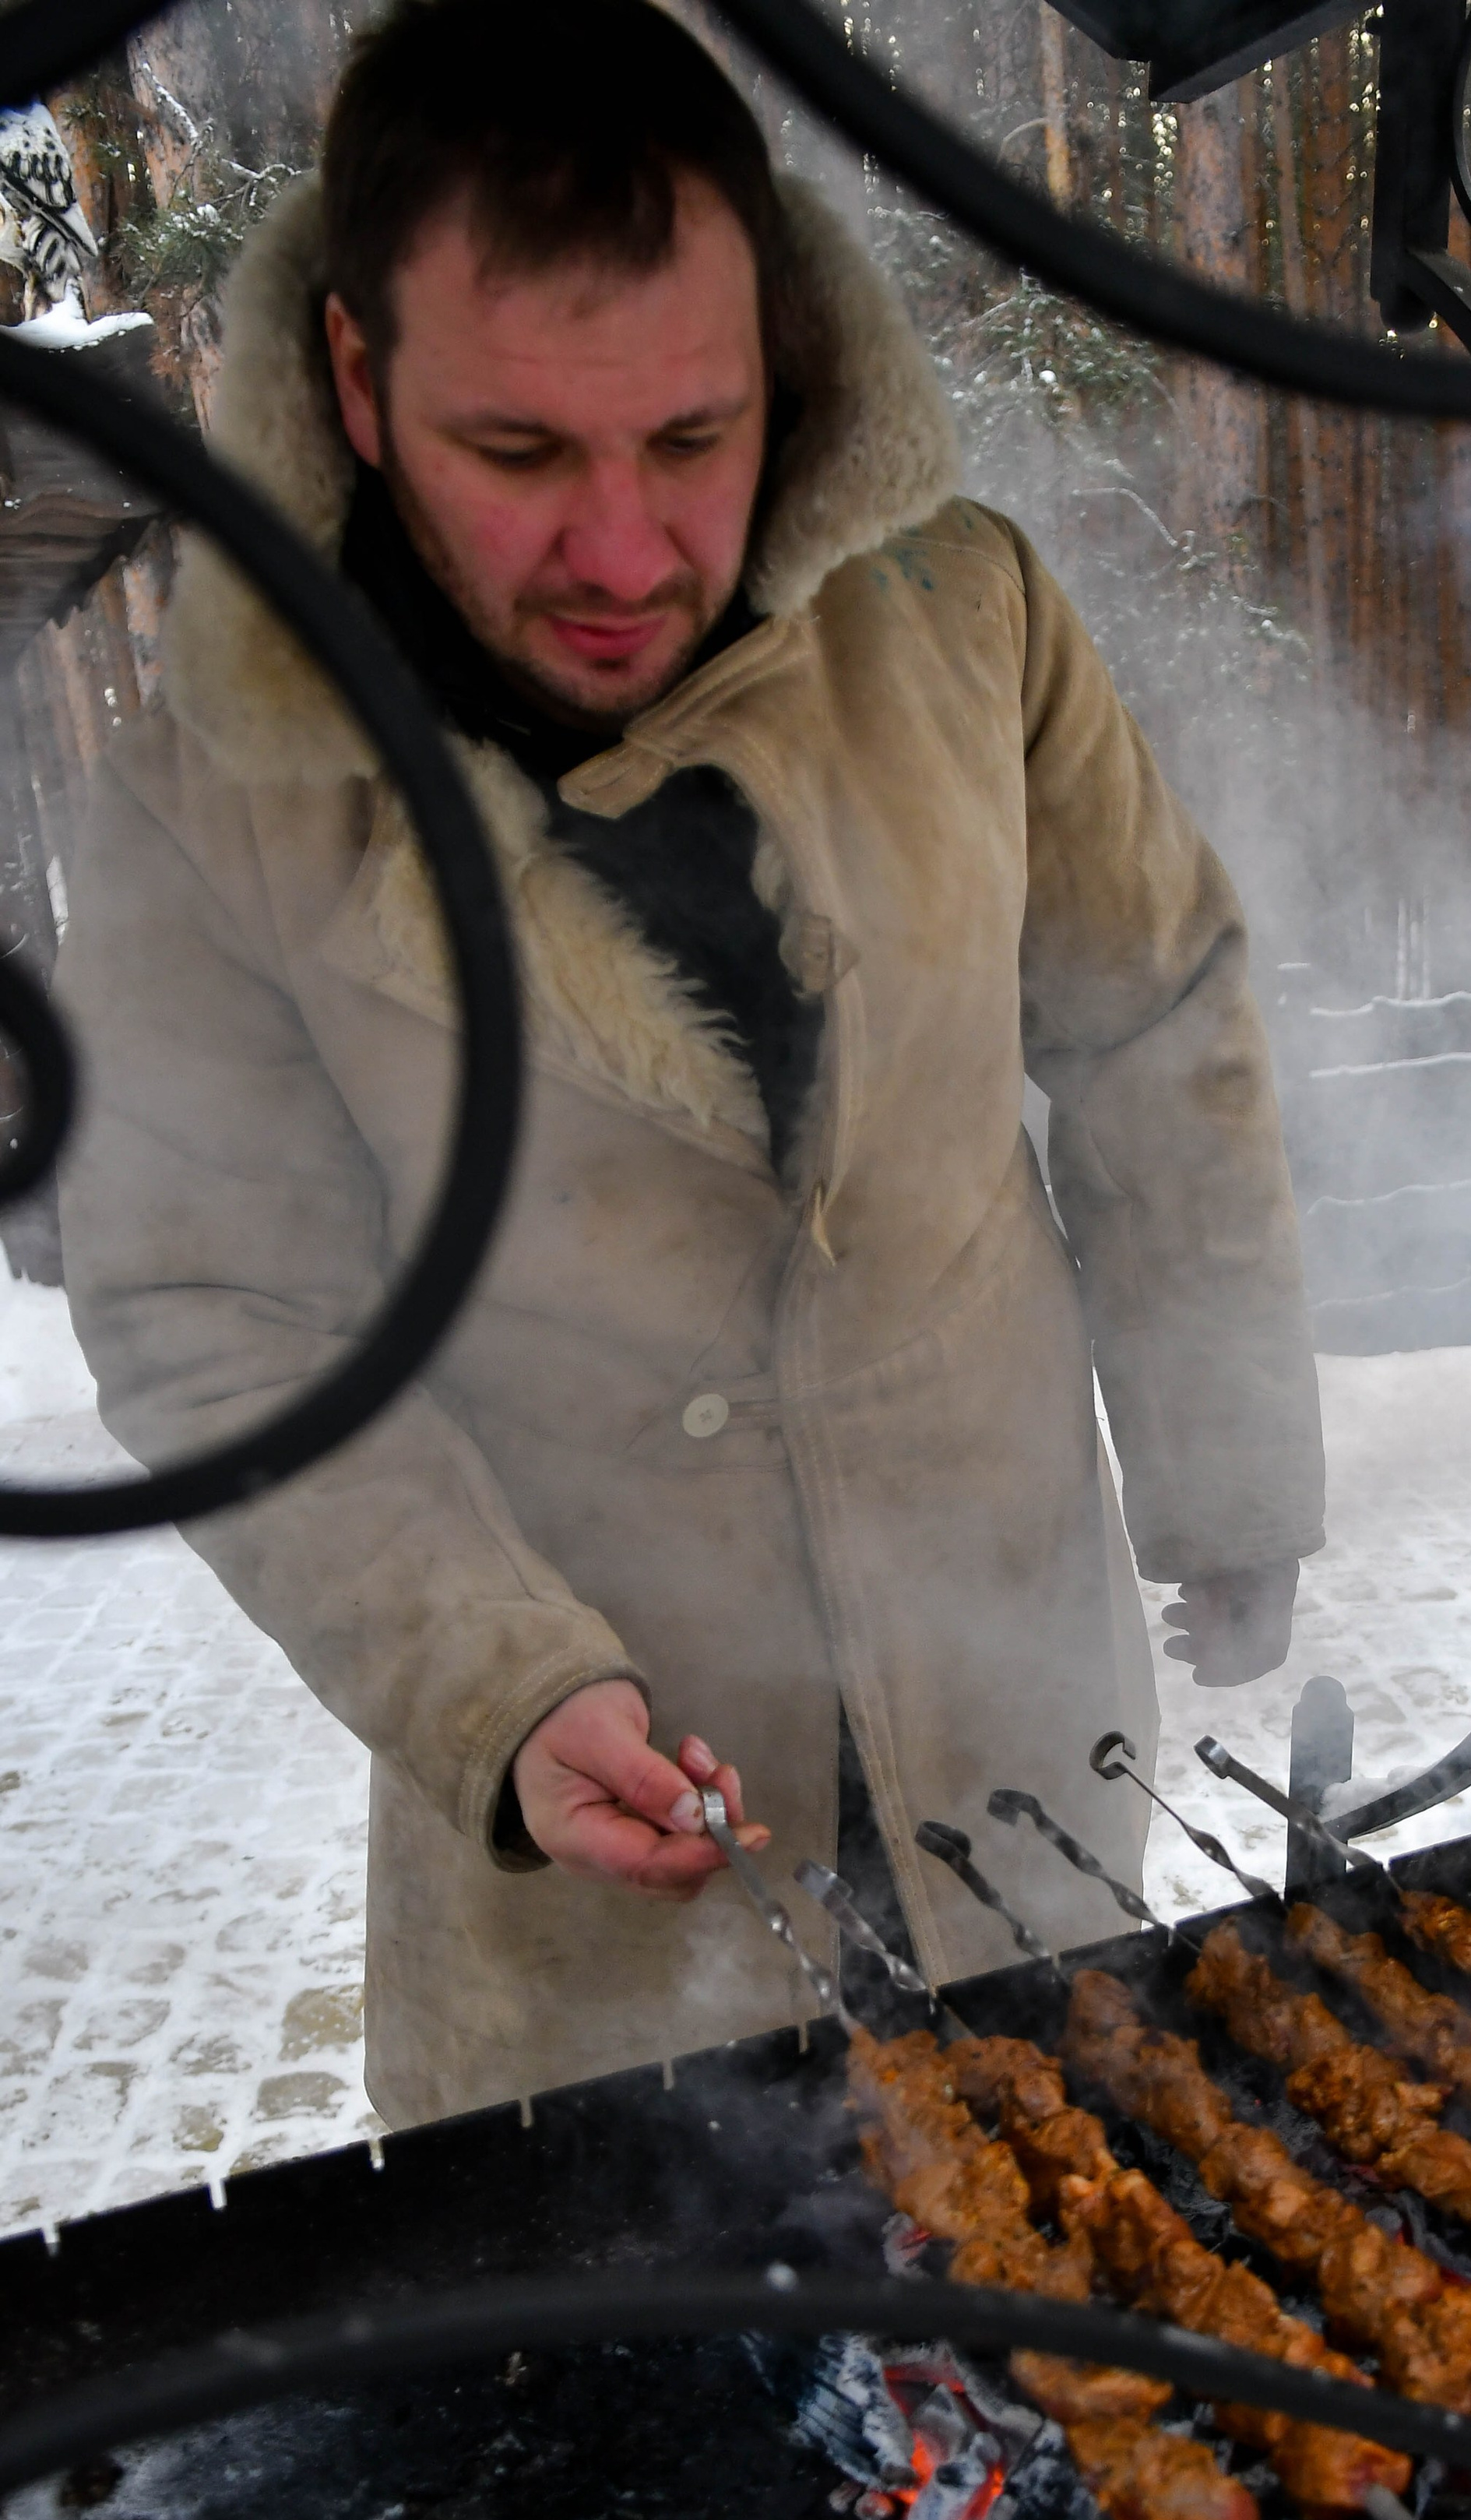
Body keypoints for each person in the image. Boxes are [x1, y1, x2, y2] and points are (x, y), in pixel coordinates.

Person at [55, 0, 1325, 2128]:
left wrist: (1227, 1464)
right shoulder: (218, 796)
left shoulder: (961, 616)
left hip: (1018, 1742)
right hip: (603, 1890)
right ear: (360, 382)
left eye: (692, 438)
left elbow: (1154, 1016)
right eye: (519, 452)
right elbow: (216, 1314)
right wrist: (499, 1683)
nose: (628, 554)